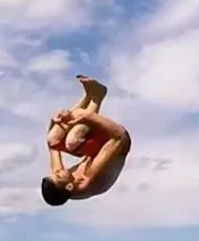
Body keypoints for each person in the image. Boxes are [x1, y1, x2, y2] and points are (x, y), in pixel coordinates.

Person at [41, 76, 132, 206]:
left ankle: (88, 96)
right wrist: (88, 117)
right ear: (69, 186)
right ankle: (97, 97)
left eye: (54, 173)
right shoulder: (89, 179)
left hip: (96, 150)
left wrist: (57, 121)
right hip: (117, 140)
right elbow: (119, 136)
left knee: (53, 138)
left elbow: (52, 146)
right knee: (72, 140)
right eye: (59, 176)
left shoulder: (60, 180)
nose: (57, 171)